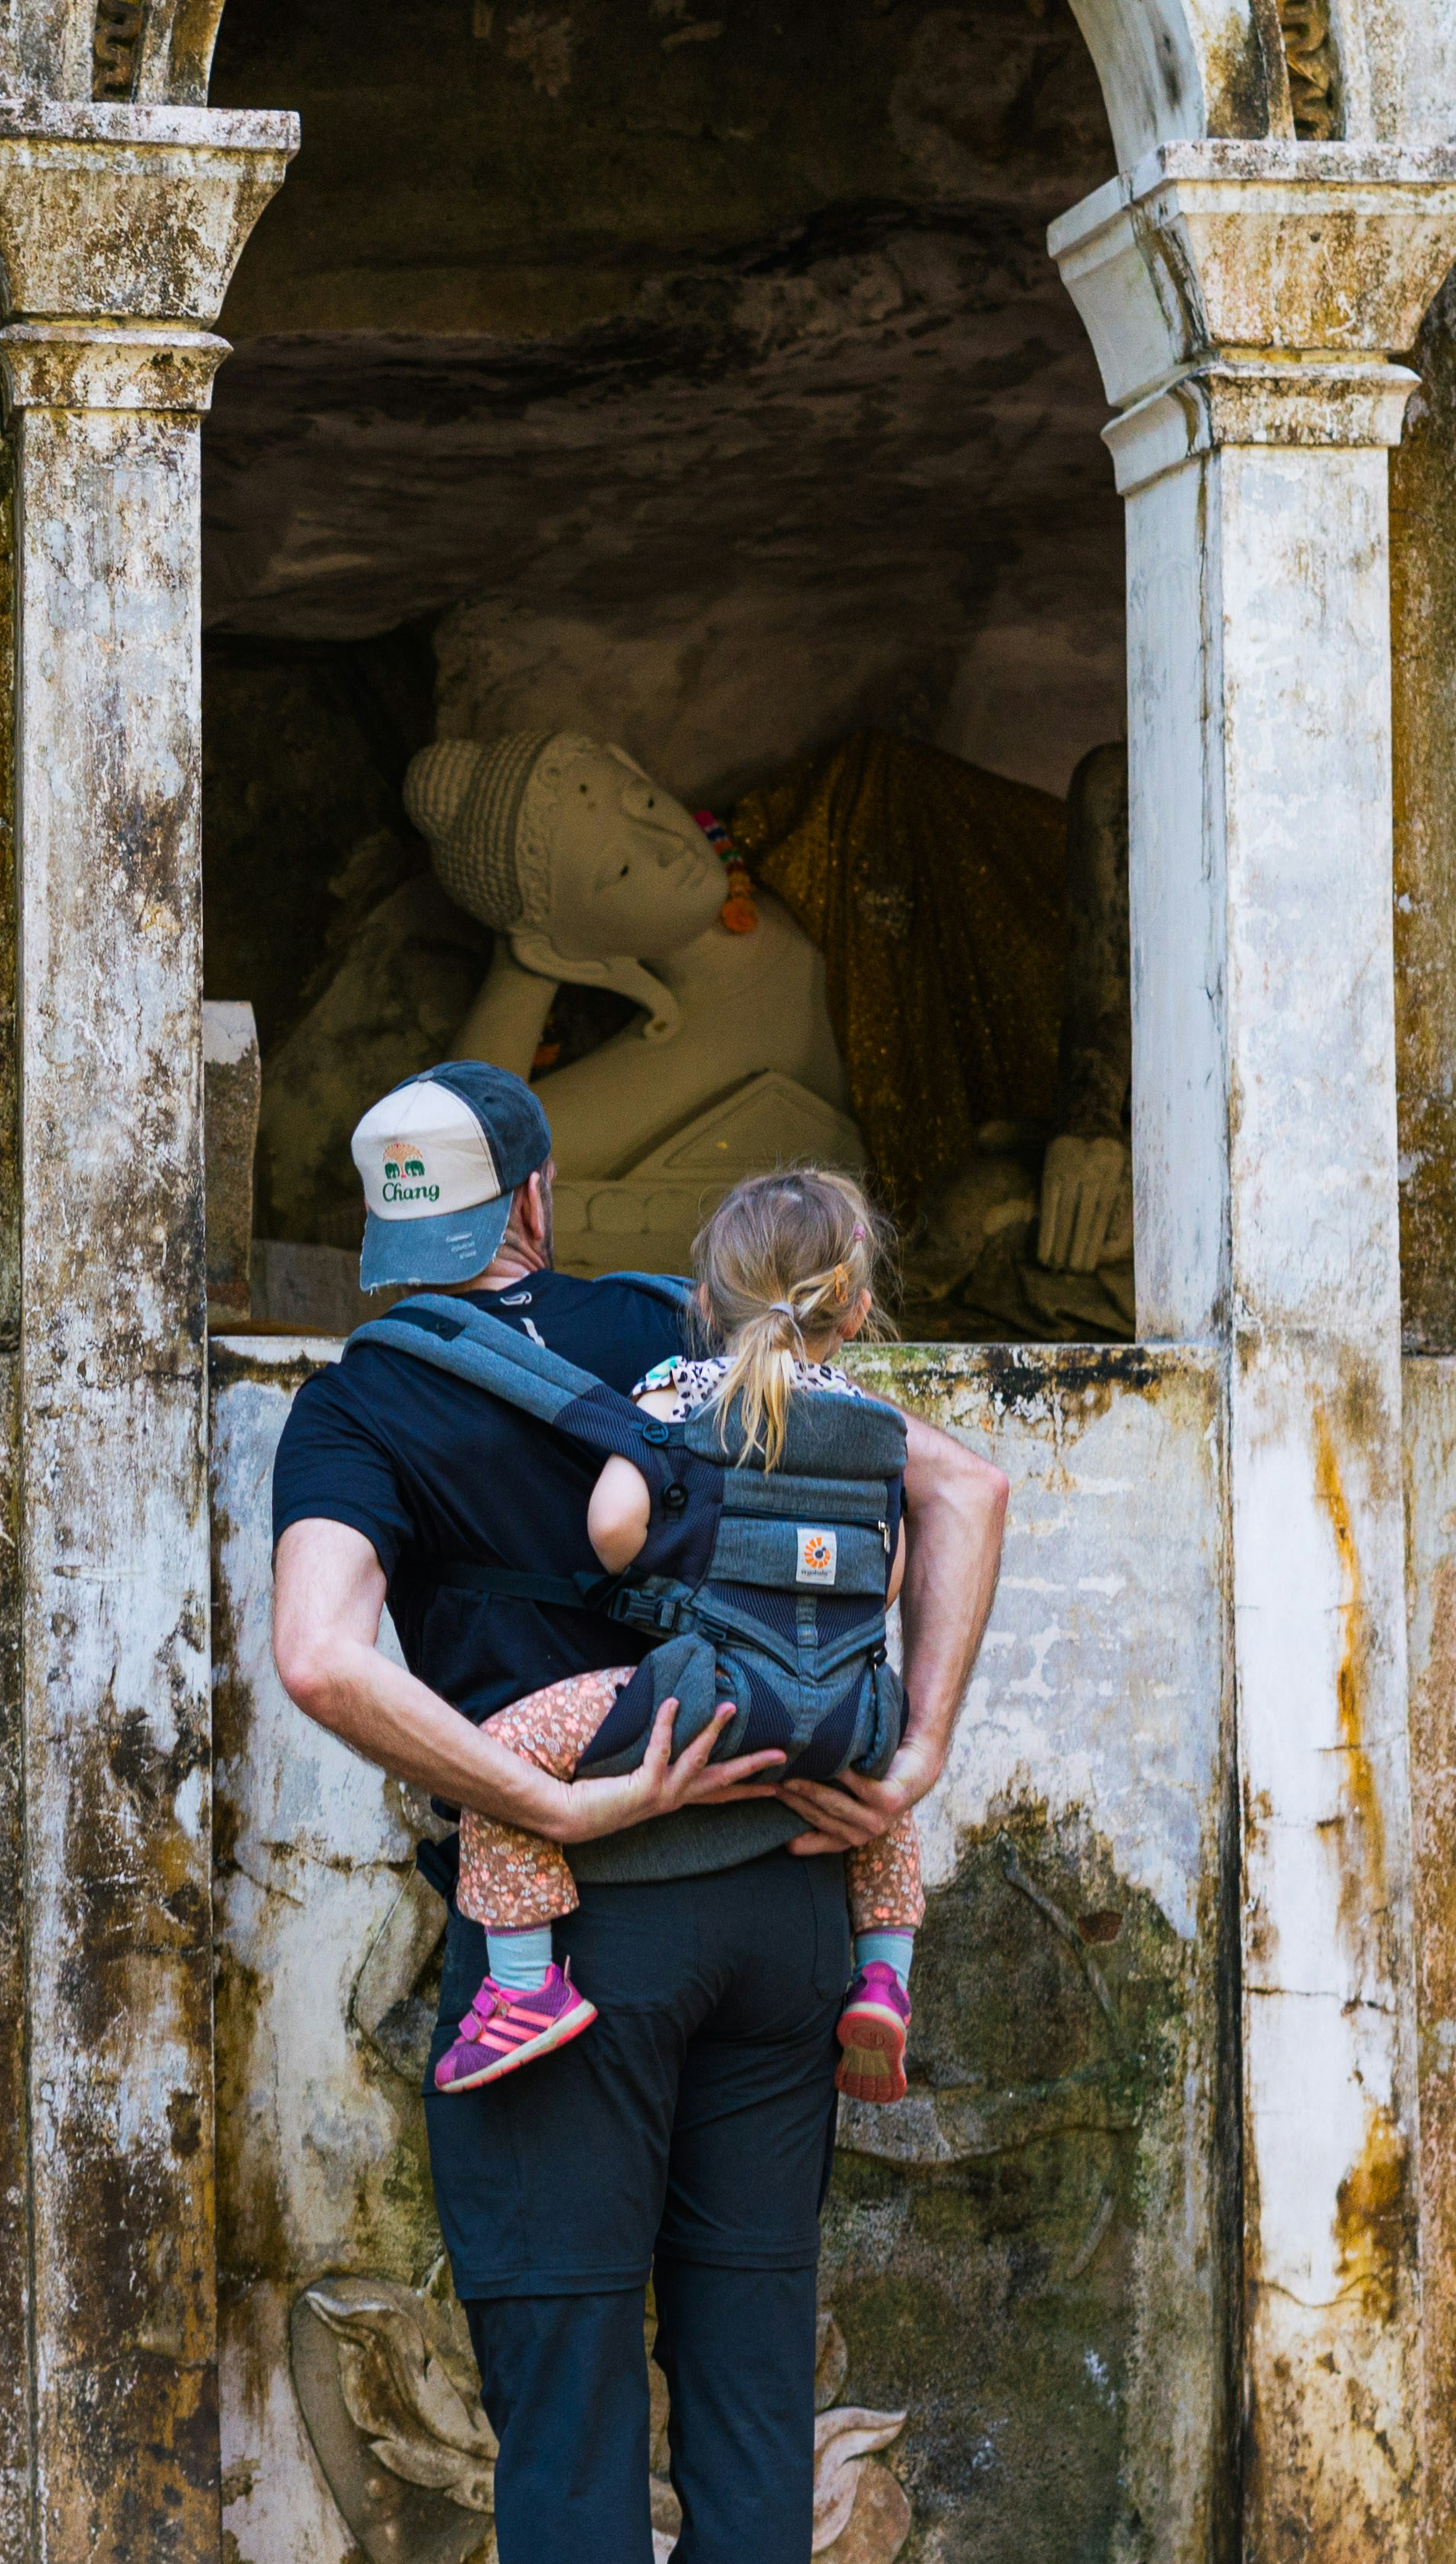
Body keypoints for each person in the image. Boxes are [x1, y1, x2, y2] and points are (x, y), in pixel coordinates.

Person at [270, 1062, 1008, 2564]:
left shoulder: (357, 1406)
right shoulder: (673, 1329)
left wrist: (543, 1795)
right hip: (783, 1906)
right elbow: (965, 1490)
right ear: (535, 1198)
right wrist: (913, 1752)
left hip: (571, 1946)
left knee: (570, 2424)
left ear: (383, 1237)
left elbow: (319, 1653)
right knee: (752, 2403)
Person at [439, 1166, 929, 2106]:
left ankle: (520, 1984)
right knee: (888, 1796)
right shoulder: (874, 1428)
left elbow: (613, 1531)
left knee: (495, 1758)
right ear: (856, 1310)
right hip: (843, 1709)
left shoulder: (674, 1394)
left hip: (703, 1696)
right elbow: (890, 1573)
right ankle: (883, 1971)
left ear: (704, 1300)